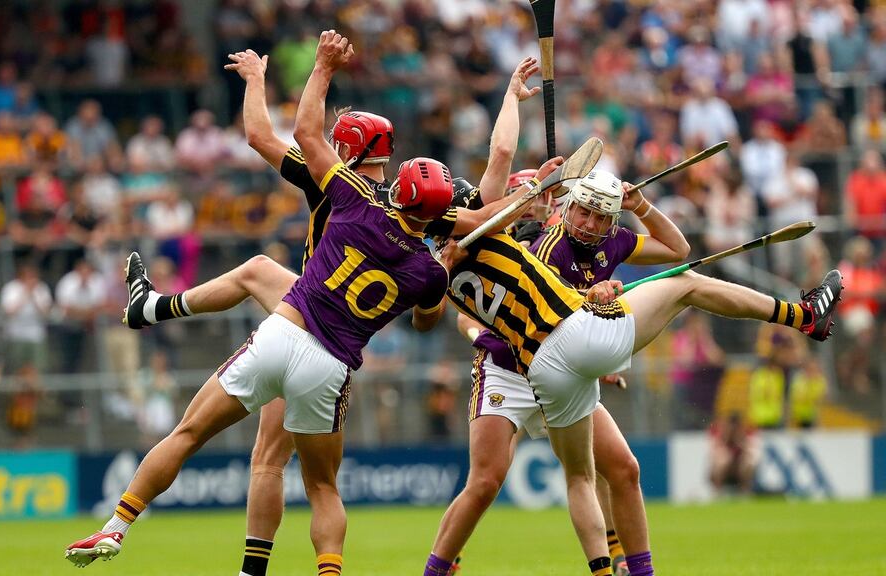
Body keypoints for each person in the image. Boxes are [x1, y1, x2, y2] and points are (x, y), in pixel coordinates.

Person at [63, 31, 537, 573]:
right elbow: (491, 185)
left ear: (353, 152)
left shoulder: (346, 193)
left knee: (212, 431)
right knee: (320, 484)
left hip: (290, 323)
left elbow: (271, 133)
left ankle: (118, 524)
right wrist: (523, 198)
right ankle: (323, 570)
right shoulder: (433, 250)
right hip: (332, 362)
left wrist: (285, 74)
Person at [423, 188, 843, 575]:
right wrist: (537, 166)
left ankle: (608, 569)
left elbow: (429, 316)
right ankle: (802, 316)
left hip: (545, 365)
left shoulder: (438, 275)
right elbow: (500, 185)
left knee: (590, 476)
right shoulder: (513, 240)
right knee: (686, 283)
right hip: (557, 345)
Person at [426, 166, 690, 576]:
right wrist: (480, 333)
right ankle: (444, 564)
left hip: (557, 365)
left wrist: (590, 353)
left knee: (615, 466)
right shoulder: (504, 243)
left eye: (550, 200)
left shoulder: (579, 238)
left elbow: (565, 312)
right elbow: (484, 312)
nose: (543, 206)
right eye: (533, 199)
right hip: (506, 370)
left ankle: (620, 560)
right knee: (485, 482)